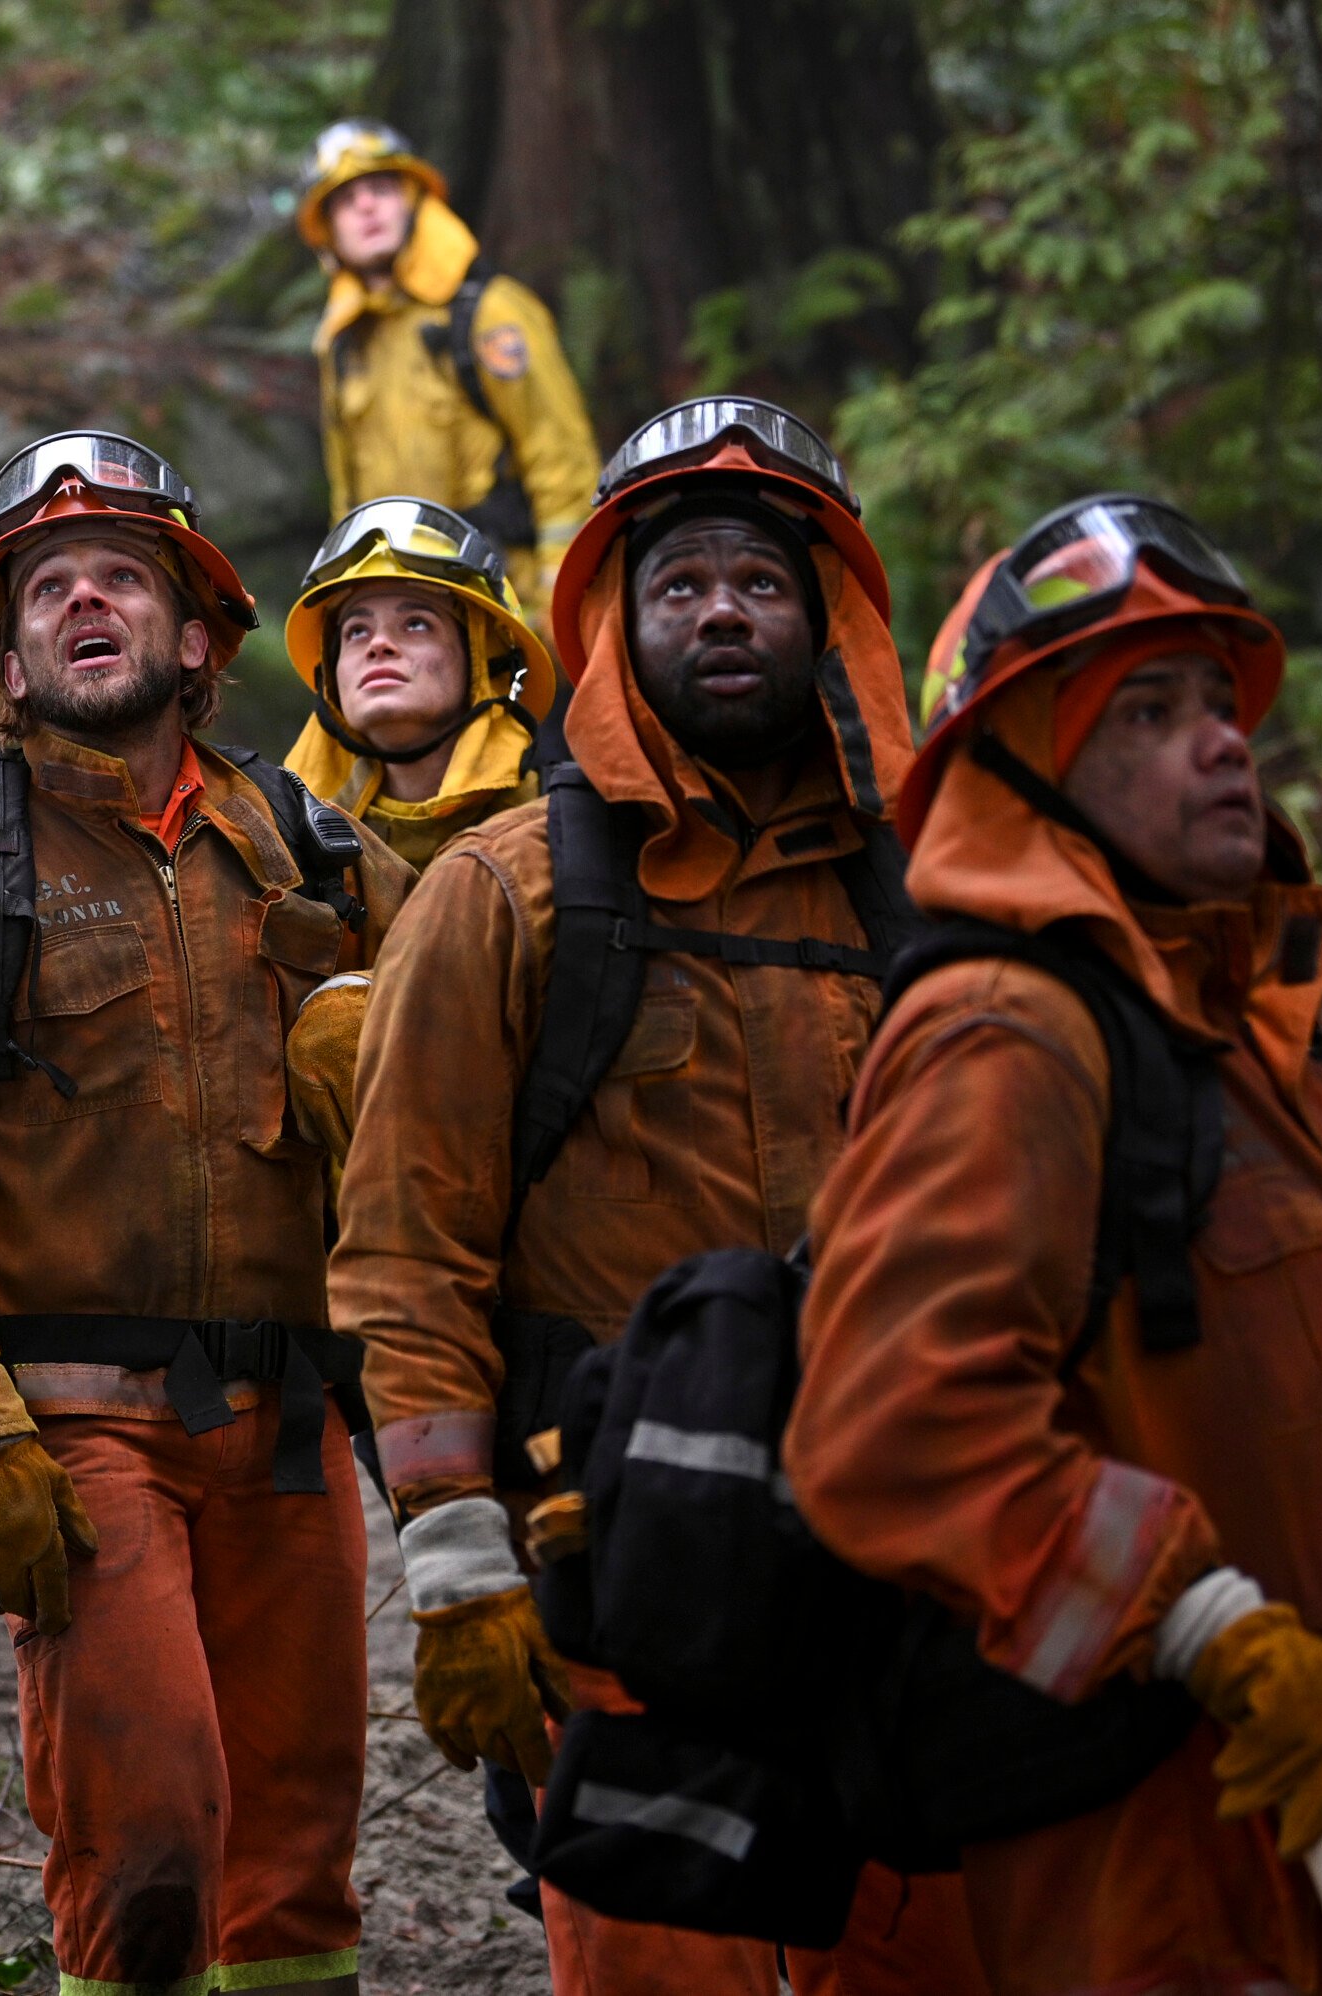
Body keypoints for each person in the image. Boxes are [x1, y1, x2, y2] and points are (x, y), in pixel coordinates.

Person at [789, 496, 1322, 1995]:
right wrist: (1209, 1629)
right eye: (1149, 710)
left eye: (1220, 700)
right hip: (1205, 1864)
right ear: (1025, 774)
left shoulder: (1220, 1032)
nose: (1223, 740)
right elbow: (894, 1425)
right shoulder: (1008, 1032)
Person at [328, 400, 987, 1995]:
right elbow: (405, 1251)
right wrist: (457, 1559)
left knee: (927, 1957)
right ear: (617, 628)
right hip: (612, 1559)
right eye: (678, 580)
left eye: (759, 582)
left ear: (827, 620)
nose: (720, 611)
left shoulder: (935, 905)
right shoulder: (508, 896)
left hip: (890, 1541)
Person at [0, 432, 414, 1996]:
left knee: (297, 1858)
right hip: (78, 1437)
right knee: (150, 1847)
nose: (87, 599)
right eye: (48, 587)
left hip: (287, 1423)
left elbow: (479, 1073)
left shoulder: (318, 846)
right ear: (3, 657)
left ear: (199, 633)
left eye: (125, 577)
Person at [298, 121, 599, 622]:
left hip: (506, 603)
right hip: (404, 615)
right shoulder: (344, 344)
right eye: (346, 201)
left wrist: (559, 603)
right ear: (328, 232)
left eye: (381, 189)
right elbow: (345, 496)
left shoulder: (490, 313)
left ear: (415, 200)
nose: (366, 207)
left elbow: (561, 457)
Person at [281, 495, 555, 870]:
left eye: (415, 623)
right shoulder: (283, 843)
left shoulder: (559, 835)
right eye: (356, 631)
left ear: (485, 664)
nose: (378, 645)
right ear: (330, 675)